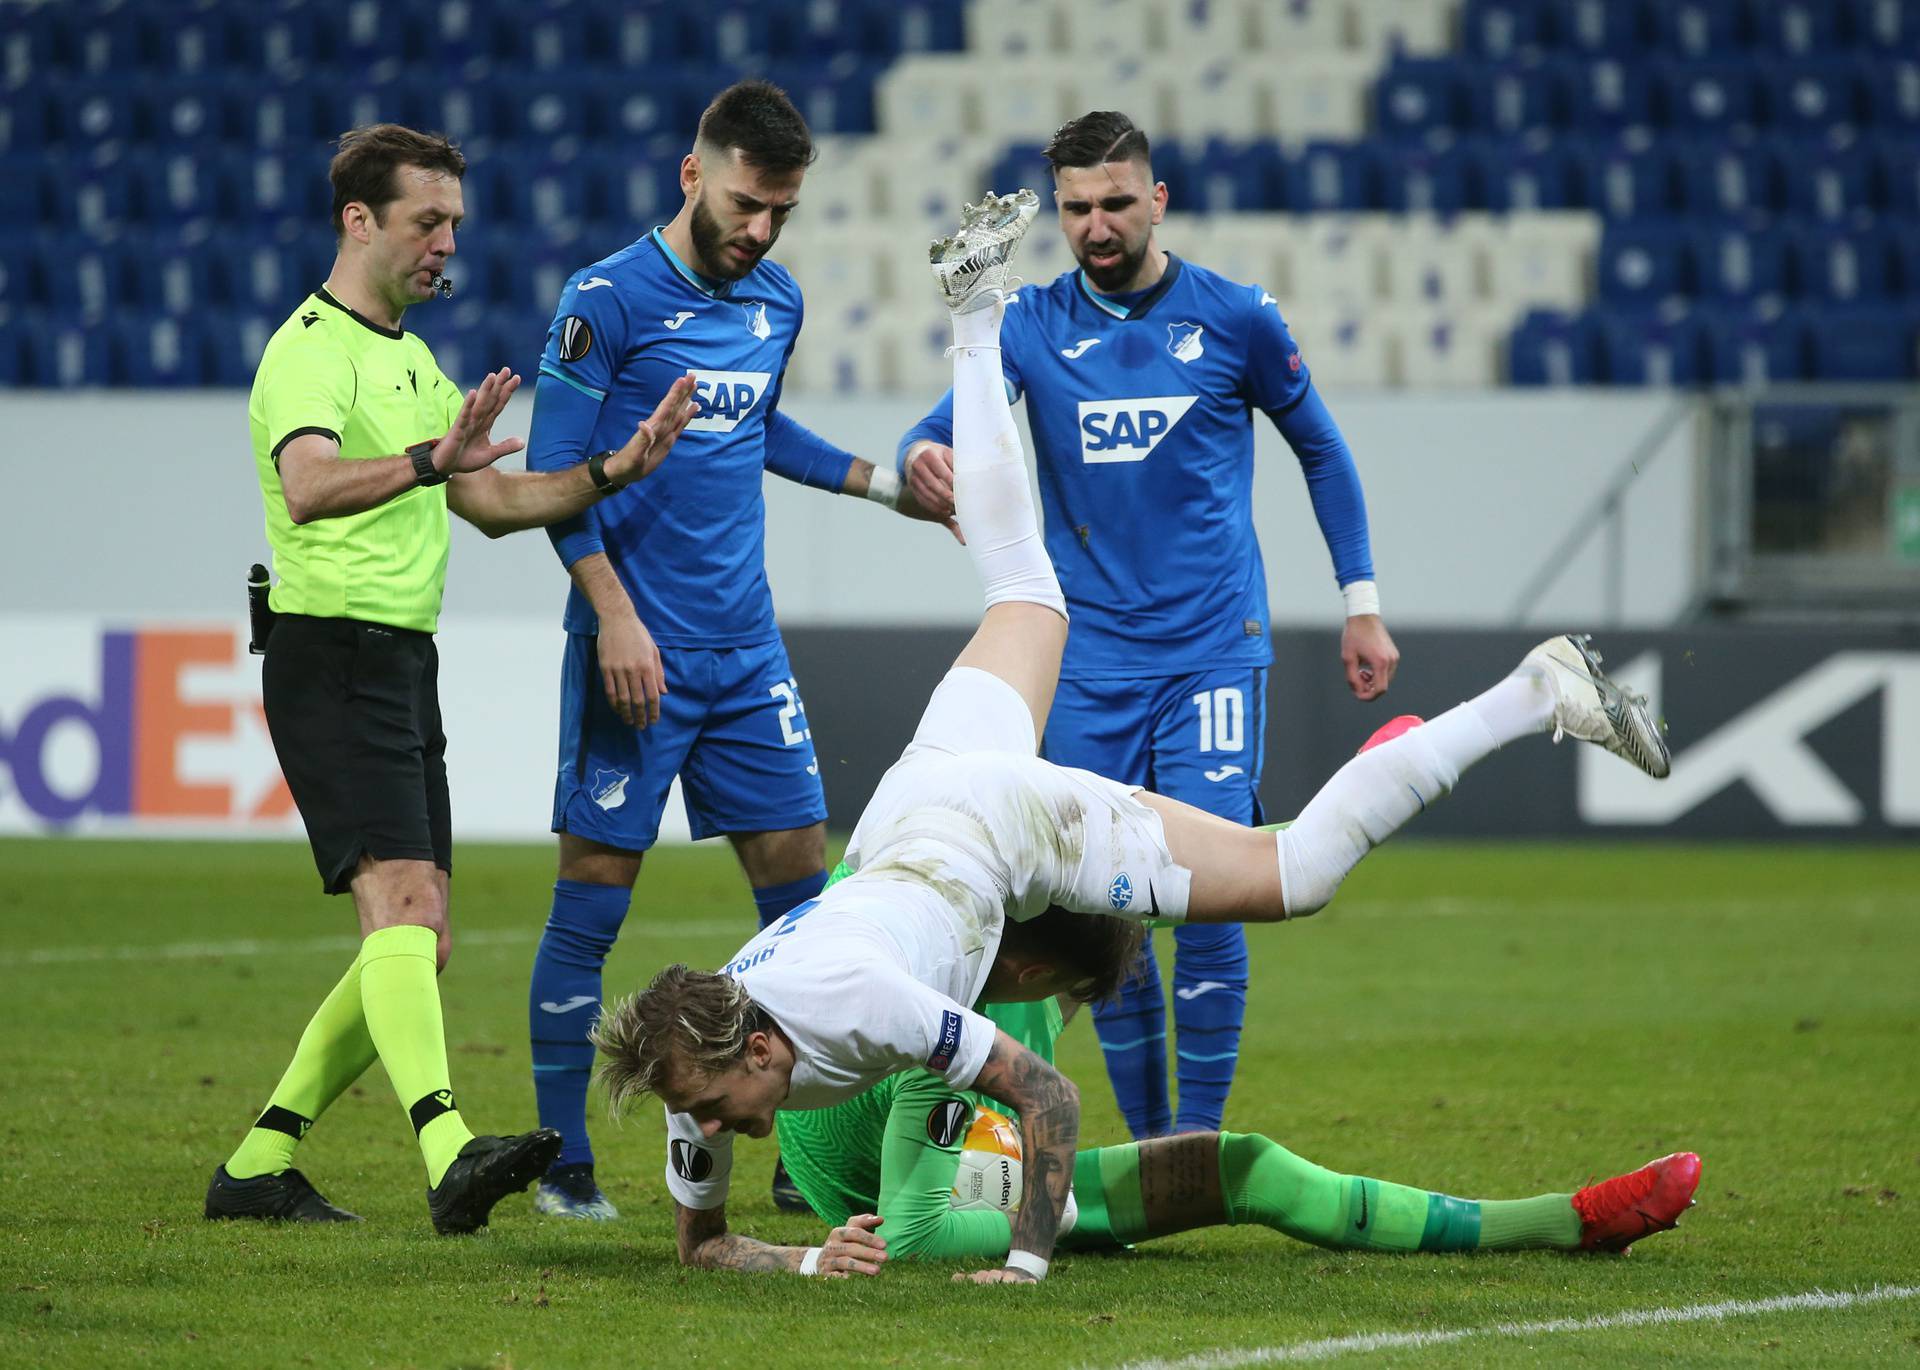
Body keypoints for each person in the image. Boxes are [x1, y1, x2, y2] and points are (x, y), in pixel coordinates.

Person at [591, 188, 1672, 1285]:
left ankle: (1534, 693)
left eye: (711, 1105)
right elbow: (707, 1245)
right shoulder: (712, 1036)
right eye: (693, 1108)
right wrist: (811, 1262)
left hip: (997, 824)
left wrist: (1022, 1262)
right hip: (909, 812)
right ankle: (975, 314)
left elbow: (1047, 1095)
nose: (706, 1126)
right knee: (1025, 587)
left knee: (1292, 870)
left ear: (762, 1049)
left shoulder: (860, 1007)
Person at [206, 122, 699, 1234]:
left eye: (456, 227)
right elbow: (311, 485)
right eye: (428, 223)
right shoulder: (310, 349)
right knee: (405, 905)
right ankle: (445, 1148)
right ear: (359, 219)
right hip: (329, 654)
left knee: (413, 937)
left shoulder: (411, 361)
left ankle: (257, 1163)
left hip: (398, 660)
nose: (447, 247)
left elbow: (485, 502)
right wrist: (434, 455)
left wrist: (614, 468)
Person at [896, 110, 1400, 1142]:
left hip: (1211, 650)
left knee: (1211, 895)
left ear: (1158, 199)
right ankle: (1152, 1143)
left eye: (1117, 202)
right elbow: (948, 421)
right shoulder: (1034, 324)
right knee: (1106, 910)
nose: (1097, 224)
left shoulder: (1234, 316)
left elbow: (1323, 450)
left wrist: (1362, 603)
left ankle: (1197, 1147)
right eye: (1077, 208)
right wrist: (918, 453)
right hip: (1085, 667)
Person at [519, 79, 953, 1221]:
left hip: (746, 651)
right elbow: (558, 477)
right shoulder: (603, 301)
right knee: (595, 896)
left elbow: (759, 424)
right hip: (636, 652)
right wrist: (611, 610)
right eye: (747, 203)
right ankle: (564, 1165)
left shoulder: (776, 301)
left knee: (809, 901)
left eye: (781, 211)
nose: (759, 229)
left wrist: (879, 486)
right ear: (691, 174)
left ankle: (801, 1152)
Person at [772, 995, 1701, 1272]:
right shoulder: (965, 1005)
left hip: (940, 1146)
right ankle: (1562, 1224)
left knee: (1242, 1164)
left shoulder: (999, 942)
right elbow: (917, 1230)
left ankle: (1568, 1219)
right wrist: (851, 1251)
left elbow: (1217, 872)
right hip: (894, 1181)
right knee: (937, 1219)